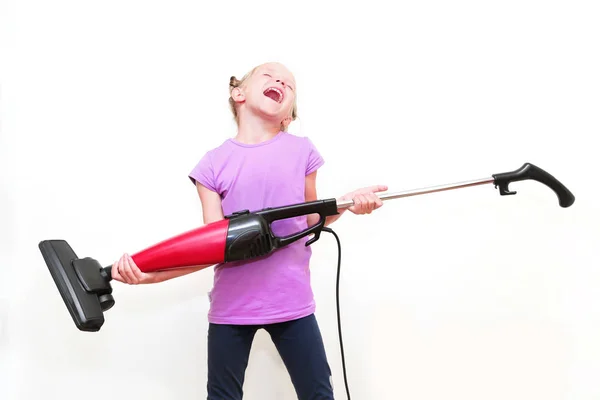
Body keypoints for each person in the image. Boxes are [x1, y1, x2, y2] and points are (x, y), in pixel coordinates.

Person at [111, 62, 387, 399]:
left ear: (288, 116)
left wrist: (347, 204)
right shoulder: (212, 165)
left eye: (289, 83)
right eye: (269, 76)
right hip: (232, 308)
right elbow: (211, 246)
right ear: (238, 93)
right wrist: (150, 276)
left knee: (318, 394)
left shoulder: (301, 151)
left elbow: (311, 221)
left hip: (292, 304)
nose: (281, 81)